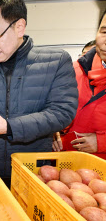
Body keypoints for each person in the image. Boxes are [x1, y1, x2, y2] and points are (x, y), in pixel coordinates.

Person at [0, 0, 78, 186]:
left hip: (34, 172)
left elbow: (62, 112)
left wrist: (8, 127)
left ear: (19, 26)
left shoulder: (55, 62)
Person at [53, 9, 106, 159]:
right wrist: (52, 128)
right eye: (104, 32)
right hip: (64, 162)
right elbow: (51, 106)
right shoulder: (72, 70)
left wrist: (101, 142)